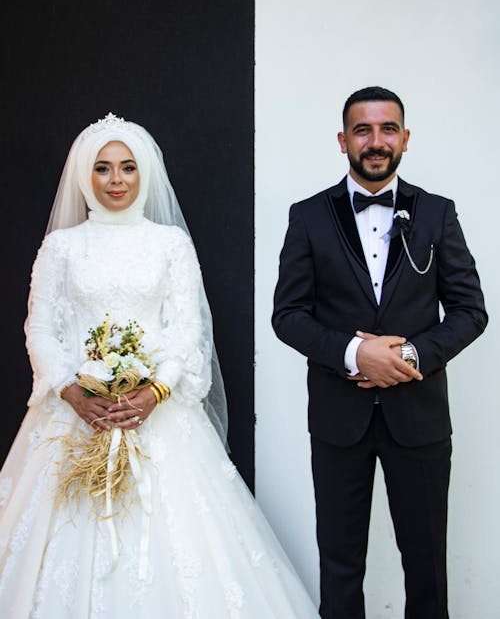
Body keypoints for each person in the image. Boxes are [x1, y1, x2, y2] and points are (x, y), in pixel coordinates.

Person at [0, 113, 320, 618]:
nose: (117, 181)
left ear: (145, 174)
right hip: (76, 416)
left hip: (156, 413)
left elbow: (186, 327)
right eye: (103, 169)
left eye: (128, 168)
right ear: (85, 175)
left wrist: (155, 392)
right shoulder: (62, 246)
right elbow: (40, 327)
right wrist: (72, 391)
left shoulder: (169, 244)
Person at [272, 86, 488, 619]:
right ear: (343, 140)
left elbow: (470, 310)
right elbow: (288, 316)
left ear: (405, 139)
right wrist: (351, 353)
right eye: (363, 130)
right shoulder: (308, 217)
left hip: (419, 421)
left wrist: (410, 355)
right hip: (337, 421)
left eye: (388, 129)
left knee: (426, 567)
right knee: (340, 566)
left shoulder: (438, 214)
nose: (376, 141)